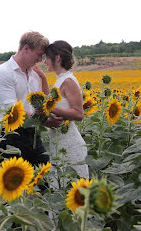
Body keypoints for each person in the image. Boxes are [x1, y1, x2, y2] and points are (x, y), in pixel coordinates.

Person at [0, 31, 61, 166]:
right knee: (15, 182)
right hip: (10, 134)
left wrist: (44, 79)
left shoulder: (34, 74)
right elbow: (13, 110)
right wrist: (45, 122)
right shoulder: (4, 73)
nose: (40, 60)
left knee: (44, 178)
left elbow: (42, 102)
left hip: (33, 132)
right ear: (26, 48)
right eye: (39, 55)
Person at [43, 40, 89, 185]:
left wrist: (49, 108)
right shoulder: (60, 80)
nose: (45, 62)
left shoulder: (68, 81)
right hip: (58, 141)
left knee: (71, 190)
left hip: (69, 143)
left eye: (47, 58)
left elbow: (78, 114)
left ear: (57, 58)